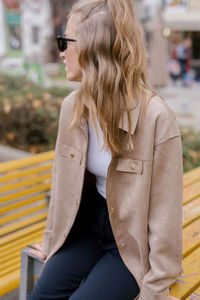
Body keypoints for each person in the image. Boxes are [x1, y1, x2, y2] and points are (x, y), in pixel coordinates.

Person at [28, 1, 183, 299]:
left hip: (129, 244)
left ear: (93, 48)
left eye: (66, 41)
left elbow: (166, 216)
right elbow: (61, 182)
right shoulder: (72, 107)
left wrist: (155, 289)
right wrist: (52, 241)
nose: (61, 52)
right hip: (85, 231)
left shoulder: (155, 118)